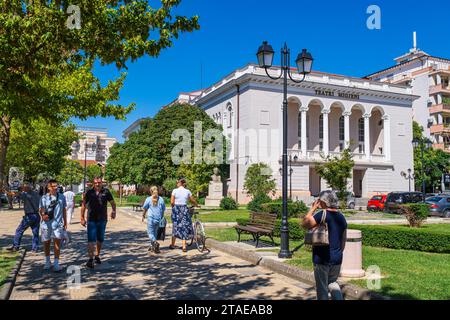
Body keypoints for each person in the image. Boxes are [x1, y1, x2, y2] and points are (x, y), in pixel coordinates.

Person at [301, 190, 348, 300]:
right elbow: (343, 239)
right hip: (337, 257)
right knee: (332, 283)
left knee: (322, 288)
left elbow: (304, 224)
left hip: (322, 258)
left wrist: (313, 208)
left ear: (323, 202)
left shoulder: (322, 214)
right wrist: (338, 253)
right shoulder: (341, 217)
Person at [80, 177, 116, 269]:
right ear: (93, 183)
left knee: (100, 239)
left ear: (102, 183)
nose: (97, 184)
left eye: (99, 182)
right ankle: (90, 259)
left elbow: (112, 203)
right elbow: (83, 204)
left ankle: (97, 255)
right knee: (91, 239)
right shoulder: (89, 192)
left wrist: (113, 211)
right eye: (96, 183)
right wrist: (82, 217)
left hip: (102, 219)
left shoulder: (106, 192)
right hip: (91, 219)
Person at [39, 179, 67, 272]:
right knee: (46, 243)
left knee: (57, 243)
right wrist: (43, 215)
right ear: (48, 187)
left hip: (57, 224)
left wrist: (65, 223)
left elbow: (64, 210)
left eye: (56, 185)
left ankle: (56, 263)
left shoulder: (62, 197)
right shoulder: (44, 198)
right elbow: (41, 209)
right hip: (46, 225)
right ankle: (47, 261)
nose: (55, 188)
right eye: (53, 186)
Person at [7, 182, 41, 253]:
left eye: (23, 187)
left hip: (29, 216)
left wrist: (8, 191)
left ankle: (16, 246)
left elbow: (15, 194)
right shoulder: (36, 194)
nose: (23, 189)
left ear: (26, 188)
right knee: (35, 232)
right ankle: (35, 248)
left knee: (19, 230)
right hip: (37, 215)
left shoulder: (25, 194)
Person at [170, 178, 198, 253]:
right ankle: (184, 246)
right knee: (184, 226)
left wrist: (174, 208)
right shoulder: (187, 191)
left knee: (175, 226)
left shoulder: (174, 190)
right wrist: (196, 205)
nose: (176, 184)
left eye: (177, 182)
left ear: (180, 183)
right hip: (184, 209)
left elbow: (172, 202)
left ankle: (172, 244)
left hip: (176, 209)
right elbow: (192, 200)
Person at [142, 186, 166, 253]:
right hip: (158, 219)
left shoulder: (148, 199)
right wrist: (162, 217)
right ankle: (153, 247)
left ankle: (155, 243)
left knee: (150, 233)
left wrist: (143, 216)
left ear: (151, 191)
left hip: (151, 218)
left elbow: (145, 209)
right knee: (155, 233)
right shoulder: (161, 199)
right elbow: (163, 210)